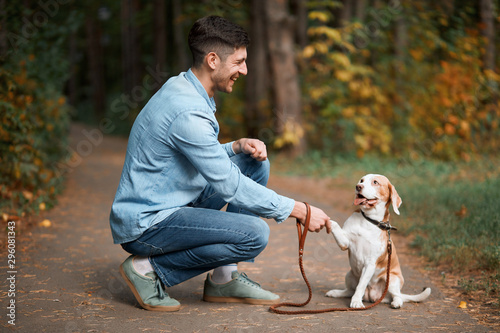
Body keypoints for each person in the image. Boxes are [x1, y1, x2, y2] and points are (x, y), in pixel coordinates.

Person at [110, 15, 332, 312]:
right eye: (239, 61)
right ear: (213, 60)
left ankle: (224, 278)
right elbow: (229, 185)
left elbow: (197, 157)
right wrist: (298, 210)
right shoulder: (187, 109)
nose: (245, 70)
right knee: (254, 234)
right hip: (148, 223)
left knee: (252, 164)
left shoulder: (185, 87)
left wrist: (236, 147)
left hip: (173, 203)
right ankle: (147, 268)